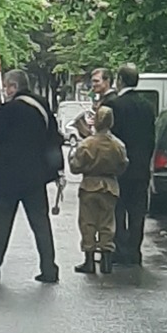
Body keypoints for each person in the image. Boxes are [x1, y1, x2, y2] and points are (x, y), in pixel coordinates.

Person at [0, 69, 63, 286]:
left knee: (0, 226)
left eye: (7, 87)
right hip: (35, 177)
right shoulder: (42, 105)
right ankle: (49, 268)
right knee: (41, 225)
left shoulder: (9, 109)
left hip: (7, 179)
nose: (6, 90)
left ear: (13, 87)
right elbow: (54, 136)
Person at [106, 64, 157, 265]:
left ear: (120, 80)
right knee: (137, 212)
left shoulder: (115, 105)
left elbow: (112, 138)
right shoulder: (147, 106)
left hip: (120, 168)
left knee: (118, 209)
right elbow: (151, 139)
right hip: (141, 168)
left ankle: (120, 249)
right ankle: (135, 252)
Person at [69, 105, 126, 275]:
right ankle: (106, 261)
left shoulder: (87, 144)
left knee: (88, 223)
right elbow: (123, 165)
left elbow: (75, 167)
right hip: (110, 186)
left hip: (89, 186)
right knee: (107, 223)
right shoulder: (118, 145)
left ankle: (89, 261)